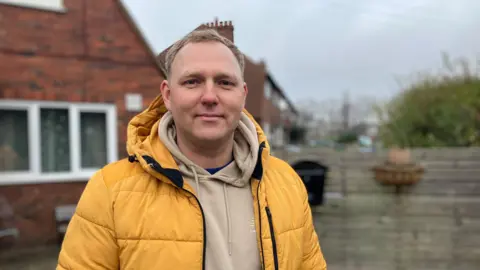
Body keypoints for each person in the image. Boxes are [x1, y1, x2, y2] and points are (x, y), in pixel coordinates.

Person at [57, 29, 327, 270]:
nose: (210, 97)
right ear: (167, 95)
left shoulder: (286, 184)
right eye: (192, 81)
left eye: (224, 82)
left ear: (242, 95)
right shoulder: (110, 191)